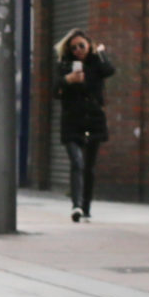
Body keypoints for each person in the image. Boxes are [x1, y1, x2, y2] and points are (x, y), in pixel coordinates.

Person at [55, 29, 115, 222]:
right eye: (74, 47)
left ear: (89, 45)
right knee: (77, 163)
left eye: (82, 45)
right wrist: (67, 80)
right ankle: (76, 206)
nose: (78, 50)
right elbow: (54, 91)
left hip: (93, 119)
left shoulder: (97, 63)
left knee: (88, 166)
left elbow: (109, 71)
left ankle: (86, 207)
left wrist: (101, 52)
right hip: (72, 121)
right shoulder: (64, 65)